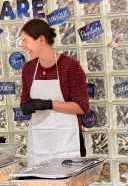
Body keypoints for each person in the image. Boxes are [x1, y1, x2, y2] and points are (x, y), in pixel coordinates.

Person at [19, 18, 89, 165]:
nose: (23, 46)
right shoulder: (29, 69)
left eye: (26, 41)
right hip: (40, 142)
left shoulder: (70, 67)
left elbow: (82, 107)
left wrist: (49, 104)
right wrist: (25, 106)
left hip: (68, 141)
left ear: (41, 39)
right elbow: (25, 100)